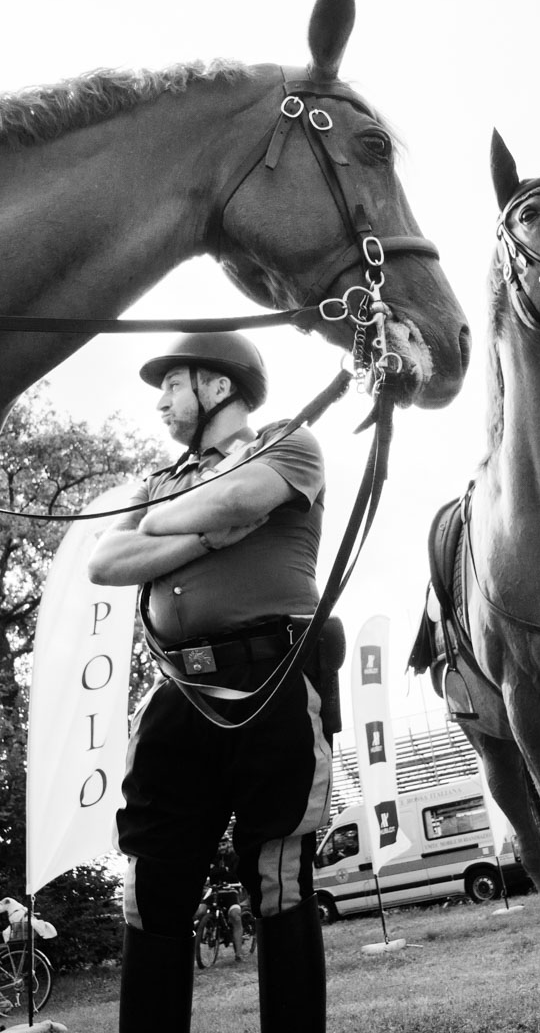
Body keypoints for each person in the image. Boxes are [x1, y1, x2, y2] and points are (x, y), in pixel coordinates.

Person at [89, 331, 339, 1033]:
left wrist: (167, 528)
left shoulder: (288, 442)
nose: (161, 402)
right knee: (153, 881)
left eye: (172, 384)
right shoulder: (158, 478)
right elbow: (105, 558)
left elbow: (241, 499)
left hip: (272, 678)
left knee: (278, 876)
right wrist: (198, 535)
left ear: (218, 387)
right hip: (178, 693)